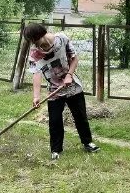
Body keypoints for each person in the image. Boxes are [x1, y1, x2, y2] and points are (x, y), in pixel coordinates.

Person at [24, 23, 100, 161]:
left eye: (35, 40)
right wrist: (36, 97)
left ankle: (87, 142)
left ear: (41, 34)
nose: (35, 44)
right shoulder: (35, 54)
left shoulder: (62, 39)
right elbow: (36, 74)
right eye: (33, 42)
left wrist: (69, 75)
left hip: (72, 86)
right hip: (54, 90)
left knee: (80, 116)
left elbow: (74, 58)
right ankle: (56, 150)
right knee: (54, 121)